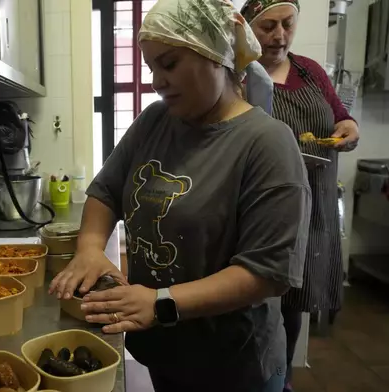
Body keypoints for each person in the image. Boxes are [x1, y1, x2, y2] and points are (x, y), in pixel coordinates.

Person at [49, 0, 311, 391]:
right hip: (163, 352)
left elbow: (267, 273)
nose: (156, 80)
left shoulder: (267, 143)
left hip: (233, 365)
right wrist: (90, 248)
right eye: (151, 67)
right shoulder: (155, 121)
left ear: (215, 55)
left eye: (169, 64)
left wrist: (161, 302)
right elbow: (107, 190)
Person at [240, 2, 360, 391]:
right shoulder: (240, 77)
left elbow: (342, 117)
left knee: (295, 299)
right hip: (265, 204)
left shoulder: (310, 70)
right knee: (257, 296)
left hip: (317, 202)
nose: (279, 36)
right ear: (247, 29)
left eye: (287, 25)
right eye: (268, 27)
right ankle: (249, 377)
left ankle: (282, 377)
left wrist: (348, 127)